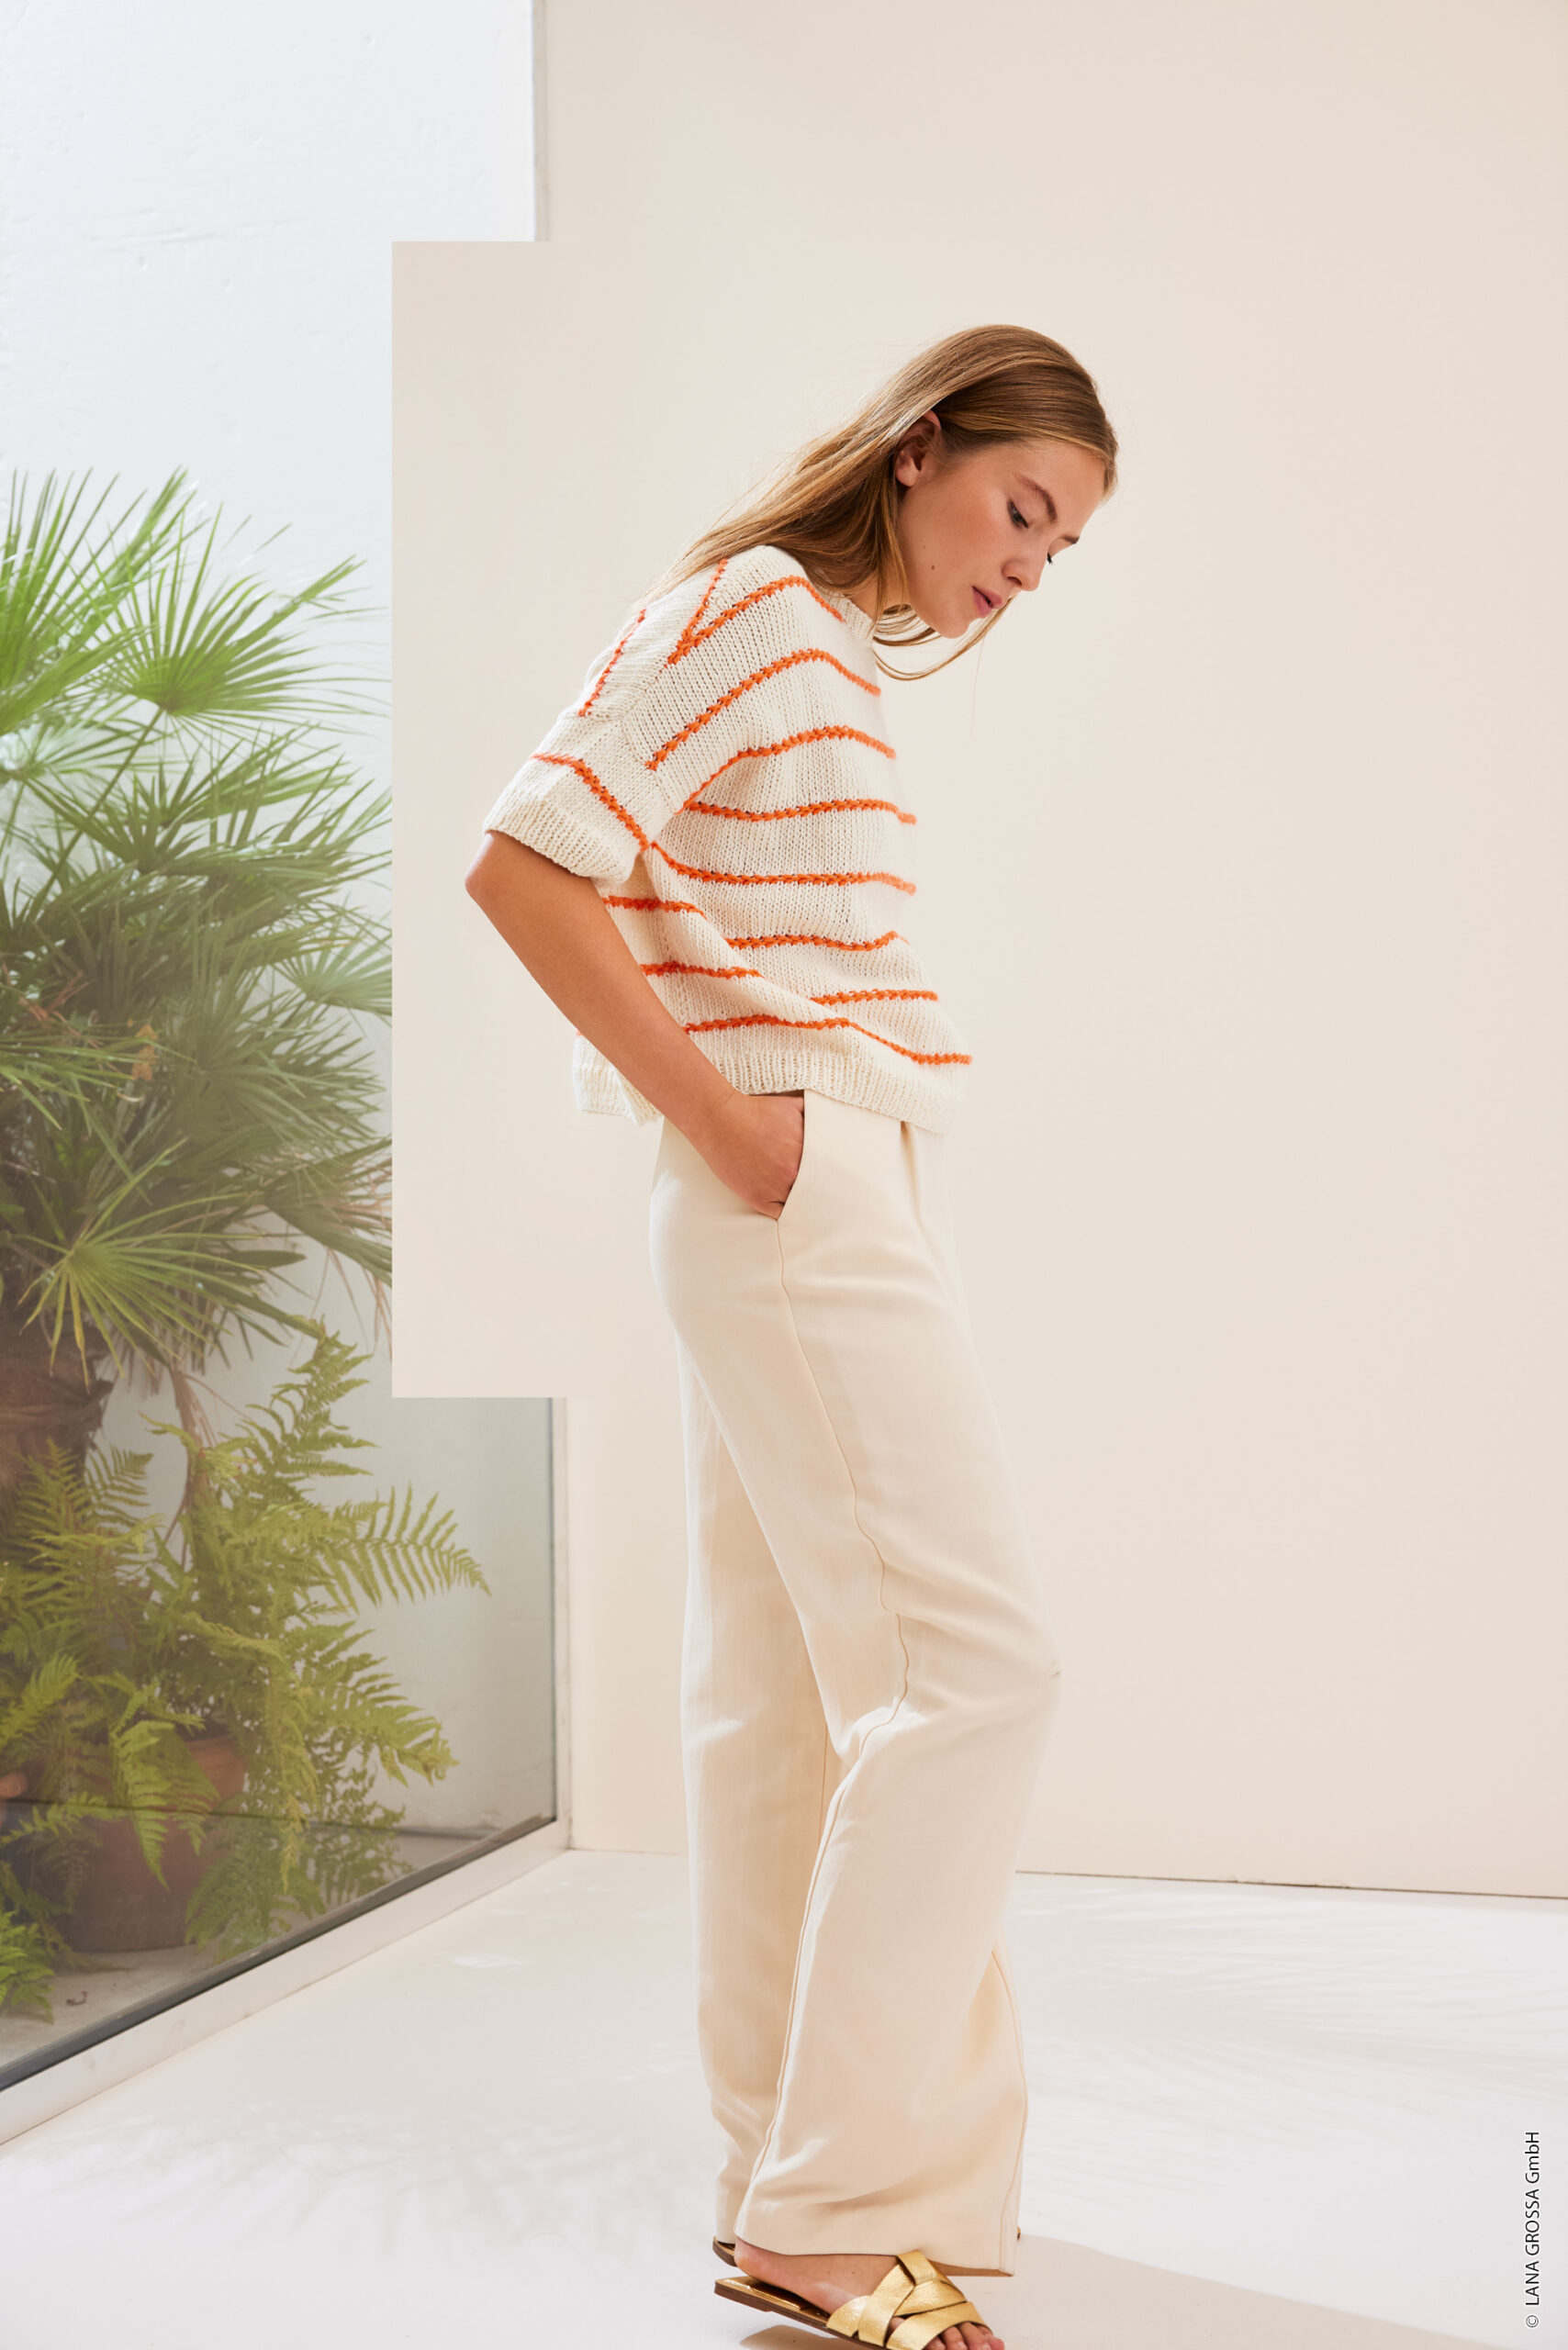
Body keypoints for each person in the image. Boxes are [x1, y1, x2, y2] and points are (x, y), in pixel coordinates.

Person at [465, 323, 1116, 2350]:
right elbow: (522, 862)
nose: (1026, 567)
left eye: (1061, 549)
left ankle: (784, 2188)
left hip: (826, 1166)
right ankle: (839, 2210)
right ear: (918, 447)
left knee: (782, 1711)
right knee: (980, 1672)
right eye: (1021, 509)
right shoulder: (753, 607)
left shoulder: (822, 650)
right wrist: (735, 1122)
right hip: (792, 1170)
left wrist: (773, 1140)